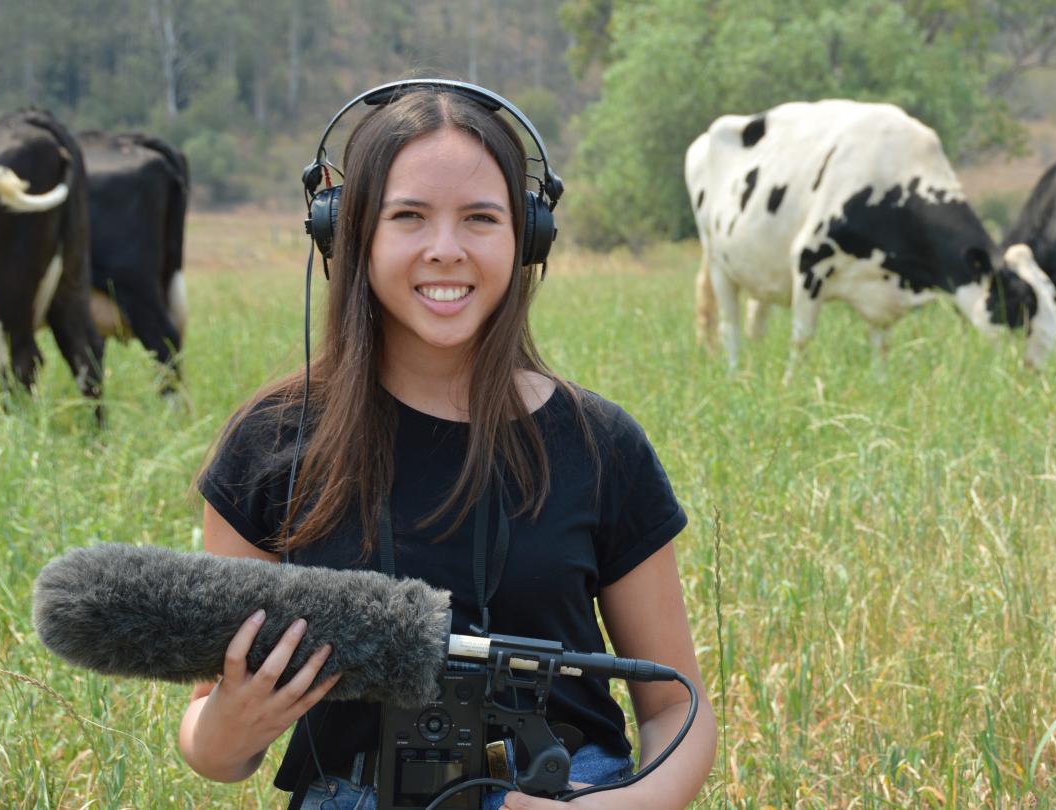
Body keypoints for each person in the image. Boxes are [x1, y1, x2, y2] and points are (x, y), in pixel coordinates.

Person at [180, 82, 716, 810]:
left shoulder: (601, 446)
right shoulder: (270, 445)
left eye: (479, 218)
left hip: (568, 791)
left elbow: (675, 707)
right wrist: (225, 730)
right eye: (408, 217)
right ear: (347, 233)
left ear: (526, 237)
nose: (445, 250)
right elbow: (214, 745)